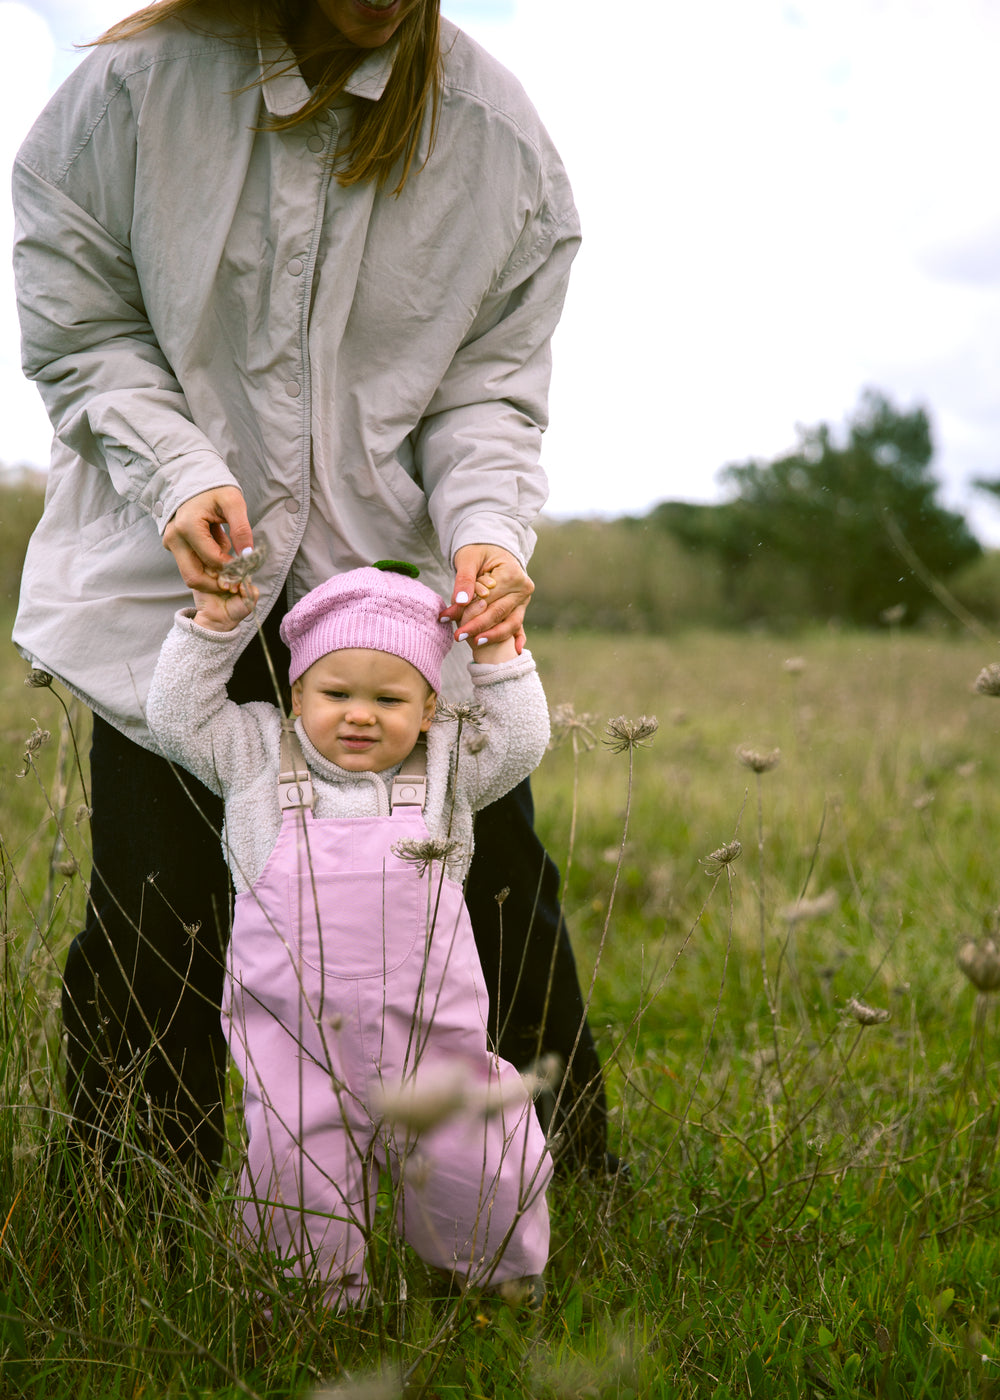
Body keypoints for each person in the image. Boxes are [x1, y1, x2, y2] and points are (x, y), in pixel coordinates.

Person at [12, 0, 611, 1196]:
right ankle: (142, 1205)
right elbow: (82, 326)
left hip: (381, 605)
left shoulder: (499, 143)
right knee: (156, 900)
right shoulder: (131, 92)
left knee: (491, 883)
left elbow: (489, 395)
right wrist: (178, 473)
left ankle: (562, 1191)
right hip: (173, 583)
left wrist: (486, 534)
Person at [144, 560, 552, 1307]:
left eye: (389, 699)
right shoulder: (256, 757)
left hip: (432, 1046)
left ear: (430, 708)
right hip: (297, 1054)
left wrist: (499, 655)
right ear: (296, 695)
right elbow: (176, 716)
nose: (361, 715)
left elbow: (521, 742)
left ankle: (490, 1293)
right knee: (297, 1180)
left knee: (483, 1163)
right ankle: (318, 1310)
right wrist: (210, 626)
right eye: (336, 694)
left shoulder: (444, 769)